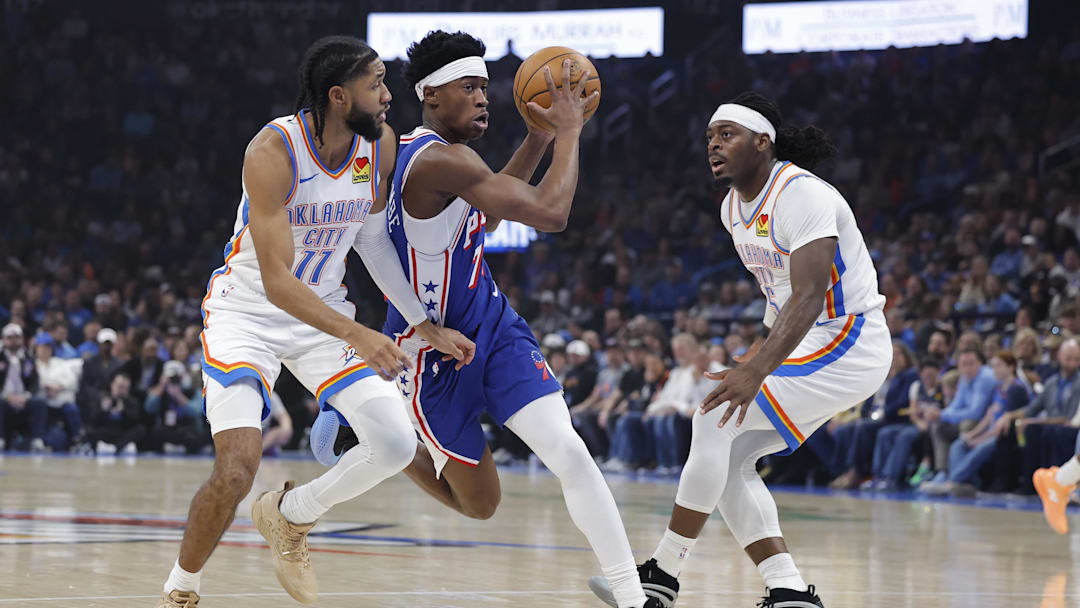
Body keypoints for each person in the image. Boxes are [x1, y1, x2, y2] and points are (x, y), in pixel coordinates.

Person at [155, 35, 474, 608]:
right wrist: (360, 333)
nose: (387, 96)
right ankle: (183, 586)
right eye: (375, 84)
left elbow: (372, 242)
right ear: (337, 96)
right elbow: (278, 282)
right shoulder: (273, 150)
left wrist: (422, 324)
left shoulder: (379, 145)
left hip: (323, 318)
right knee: (238, 468)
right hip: (248, 312)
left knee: (395, 444)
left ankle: (291, 515)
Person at [380, 30, 655, 608]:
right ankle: (382, 439)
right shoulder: (439, 160)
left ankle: (632, 596)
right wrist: (570, 131)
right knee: (481, 504)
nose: (484, 98)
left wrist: (537, 139)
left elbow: (485, 217)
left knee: (568, 450)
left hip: (493, 327)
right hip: (432, 352)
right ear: (431, 95)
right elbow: (551, 214)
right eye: (469, 87)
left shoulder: (445, 158)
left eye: (485, 87)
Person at [590, 91, 890, 608]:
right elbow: (778, 298)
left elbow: (809, 295)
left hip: (849, 338)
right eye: (709, 137)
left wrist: (755, 372)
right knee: (727, 459)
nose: (713, 145)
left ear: (762, 142)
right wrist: (752, 358)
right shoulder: (732, 209)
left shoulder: (801, 193)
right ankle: (788, 589)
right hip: (810, 337)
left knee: (714, 417)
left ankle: (662, 573)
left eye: (727, 135)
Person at [921, 350, 1030, 496]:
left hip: (1004, 436)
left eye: (998, 366)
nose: (994, 370)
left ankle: (952, 482)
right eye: (993, 366)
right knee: (959, 444)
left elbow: (1001, 425)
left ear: (1011, 367)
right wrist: (972, 435)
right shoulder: (998, 389)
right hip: (990, 431)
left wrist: (980, 439)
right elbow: (988, 418)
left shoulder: (1016, 389)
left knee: (980, 447)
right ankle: (966, 483)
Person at [0, 322, 47, 452]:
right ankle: (1, 439)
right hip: (4, 398)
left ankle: (37, 439)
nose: (14, 341)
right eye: (10, 338)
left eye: (17, 337)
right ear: (3, 339)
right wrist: (6, 396)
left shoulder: (28, 357)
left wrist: (26, 396)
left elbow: (35, 382)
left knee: (39, 402)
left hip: (23, 398)